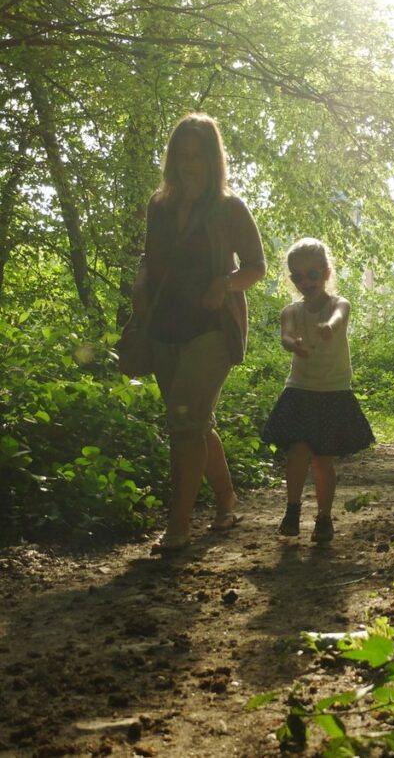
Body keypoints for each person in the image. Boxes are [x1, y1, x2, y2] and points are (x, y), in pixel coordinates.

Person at [133, 113, 267, 554]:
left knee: (184, 426)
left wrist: (224, 284)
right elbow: (152, 263)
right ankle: (227, 500)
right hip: (165, 327)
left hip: (212, 329)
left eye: (198, 157)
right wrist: (140, 299)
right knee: (195, 422)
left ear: (213, 160)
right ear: (172, 159)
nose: (189, 165)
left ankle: (179, 524)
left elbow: (255, 267)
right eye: (182, 156)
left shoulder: (229, 207)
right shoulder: (159, 205)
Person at [261, 237, 375, 542]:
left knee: (323, 459)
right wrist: (293, 344)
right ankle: (293, 509)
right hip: (300, 390)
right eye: (297, 276)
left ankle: (324, 518)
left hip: (333, 391)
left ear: (326, 272)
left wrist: (329, 327)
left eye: (312, 274)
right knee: (297, 453)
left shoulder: (339, 303)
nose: (305, 281)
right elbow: (286, 336)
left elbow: (339, 317)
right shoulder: (291, 311)